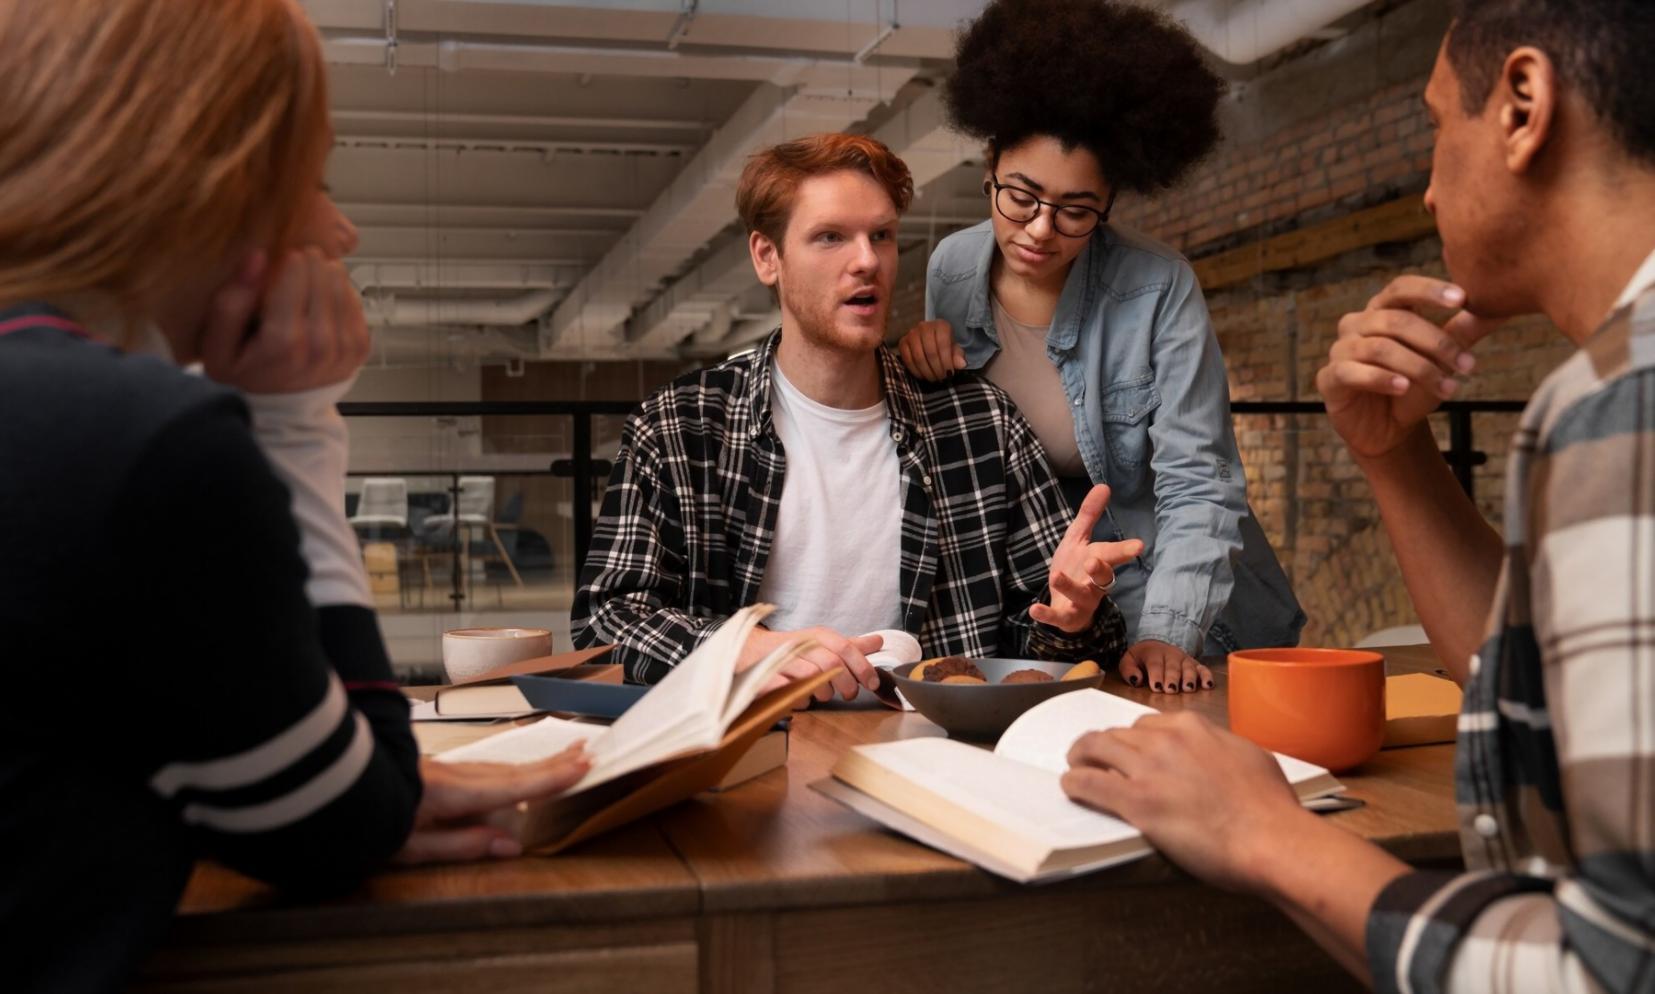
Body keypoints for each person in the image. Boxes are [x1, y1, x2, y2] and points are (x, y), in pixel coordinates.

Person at [1061, 3, 1655, 991]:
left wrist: (1264, 836)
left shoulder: (1617, 405)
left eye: (1433, 126)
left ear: (1520, 105)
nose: (1424, 189)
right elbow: (1519, 677)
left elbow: (1611, 970)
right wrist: (1388, 452)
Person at [0, 2, 585, 989]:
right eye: (307, 180)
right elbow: (343, 826)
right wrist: (297, 422)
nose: (340, 229)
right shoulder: (139, 441)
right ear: (207, 175)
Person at [572, 134, 1138, 696]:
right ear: (767, 257)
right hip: (754, 749)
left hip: (932, 755)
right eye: (830, 237)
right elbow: (604, 620)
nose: (867, 260)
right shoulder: (681, 425)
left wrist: (1074, 618)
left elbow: (1050, 646)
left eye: (882, 236)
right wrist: (739, 647)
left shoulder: (981, 424)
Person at [897, 0, 1303, 696]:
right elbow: (966, 451)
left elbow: (1198, 482)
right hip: (1045, 613)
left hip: (1180, 606)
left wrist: (1166, 634)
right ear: (989, 162)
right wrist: (918, 359)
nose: (1039, 230)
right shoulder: (952, 269)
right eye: (1019, 196)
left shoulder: (1156, 287)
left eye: (1076, 210)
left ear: (1112, 198)